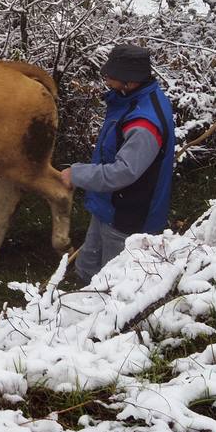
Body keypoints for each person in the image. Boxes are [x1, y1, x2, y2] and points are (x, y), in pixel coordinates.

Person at [59, 43, 176, 285]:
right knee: (86, 267)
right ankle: (76, 294)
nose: (107, 80)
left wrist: (76, 174)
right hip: (107, 205)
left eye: (112, 77)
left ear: (130, 81)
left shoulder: (144, 123)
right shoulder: (130, 101)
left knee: (111, 284)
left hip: (128, 218)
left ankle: (97, 314)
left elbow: (122, 172)